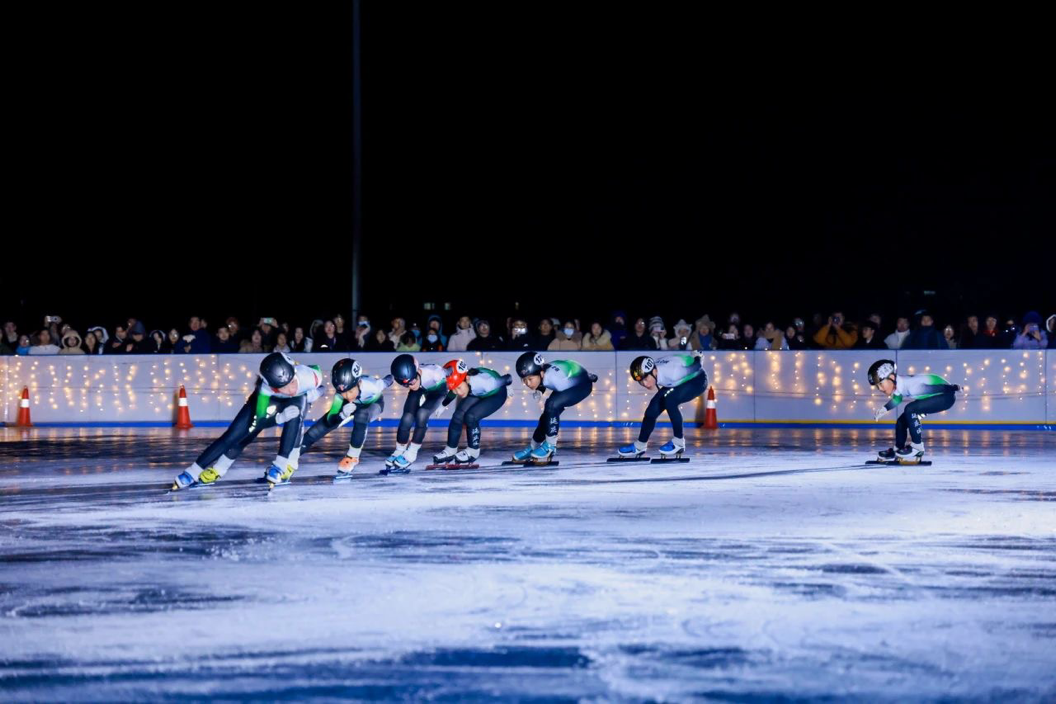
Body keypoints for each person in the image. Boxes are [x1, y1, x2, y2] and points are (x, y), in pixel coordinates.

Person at [867, 359, 958, 464]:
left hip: (946, 397)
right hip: (935, 396)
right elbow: (898, 398)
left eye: (881, 384)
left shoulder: (913, 387)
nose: (880, 389)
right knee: (901, 421)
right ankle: (899, 448)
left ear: (892, 377)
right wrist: (884, 409)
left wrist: (953, 387)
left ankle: (917, 448)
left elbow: (938, 388)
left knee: (910, 409)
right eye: (877, 386)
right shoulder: (900, 384)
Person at [618, 353, 709, 459]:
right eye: (640, 382)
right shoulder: (656, 371)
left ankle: (678, 443)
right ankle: (640, 445)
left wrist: (697, 357)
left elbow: (697, 366)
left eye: (646, 379)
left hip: (697, 380)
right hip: (676, 382)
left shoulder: (673, 372)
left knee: (670, 400)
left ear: (654, 371)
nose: (645, 384)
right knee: (651, 411)